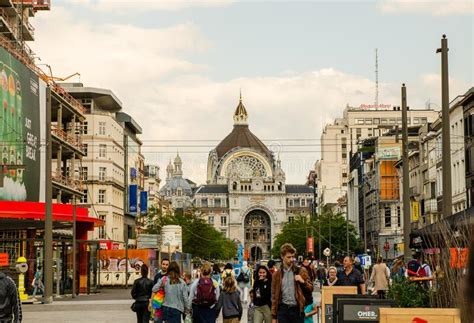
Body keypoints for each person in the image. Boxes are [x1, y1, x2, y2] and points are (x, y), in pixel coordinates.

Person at [271, 243, 313, 323]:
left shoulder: (301, 271)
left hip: (297, 309)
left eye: (293, 257)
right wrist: (274, 316)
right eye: (288, 257)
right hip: (283, 310)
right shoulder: (276, 275)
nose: (291, 259)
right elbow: (274, 296)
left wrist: (303, 281)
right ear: (282, 257)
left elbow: (311, 288)